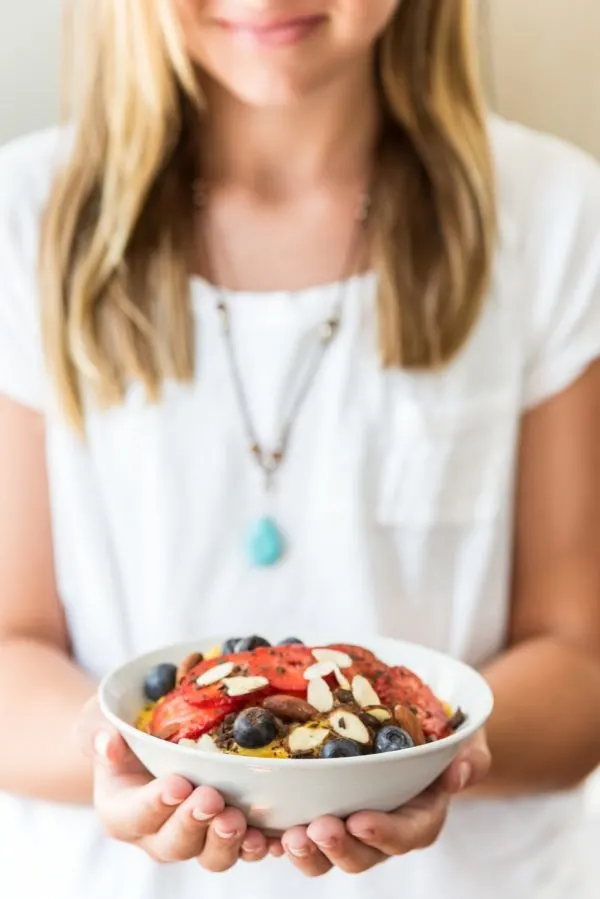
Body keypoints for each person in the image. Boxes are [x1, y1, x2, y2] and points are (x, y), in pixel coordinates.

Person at [0, 0, 600, 897]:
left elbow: (581, 661)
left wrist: (433, 753)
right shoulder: (27, 218)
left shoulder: (553, 214)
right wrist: (115, 749)